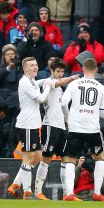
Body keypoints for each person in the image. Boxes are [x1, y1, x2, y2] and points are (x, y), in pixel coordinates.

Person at [61, 58, 104, 202]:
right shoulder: (101, 87)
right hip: (92, 128)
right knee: (99, 158)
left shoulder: (74, 84)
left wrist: (68, 118)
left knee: (70, 159)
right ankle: (97, 192)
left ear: (82, 69)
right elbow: (103, 113)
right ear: (96, 70)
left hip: (75, 127)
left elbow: (63, 103)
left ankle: (69, 193)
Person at [7, 57, 54, 200]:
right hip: (26, 124)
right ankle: (27, 192)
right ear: (25, 69)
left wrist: (49, 80)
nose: (35, 67)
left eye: (36, 65)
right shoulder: (24, 81)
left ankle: (15, 183)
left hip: (33, 125)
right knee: (28, 158)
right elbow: (41, 99)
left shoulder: (31, 81)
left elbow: (37, 83)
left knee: (38, 157)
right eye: (31, 65)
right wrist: (48, 86)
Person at [33, 59, 79, 200]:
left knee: (65, 159)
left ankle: (66, 193)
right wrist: (72, 78)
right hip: (50, 125)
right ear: (51, 71)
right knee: (47, 157)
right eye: (57, 71)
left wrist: (67, 119)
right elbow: (58, 82)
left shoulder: (59, 88)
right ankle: (37, 191)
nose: (60, 74)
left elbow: (63, 105)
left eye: (62, 71)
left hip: (60, 127)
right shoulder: (49, 83)